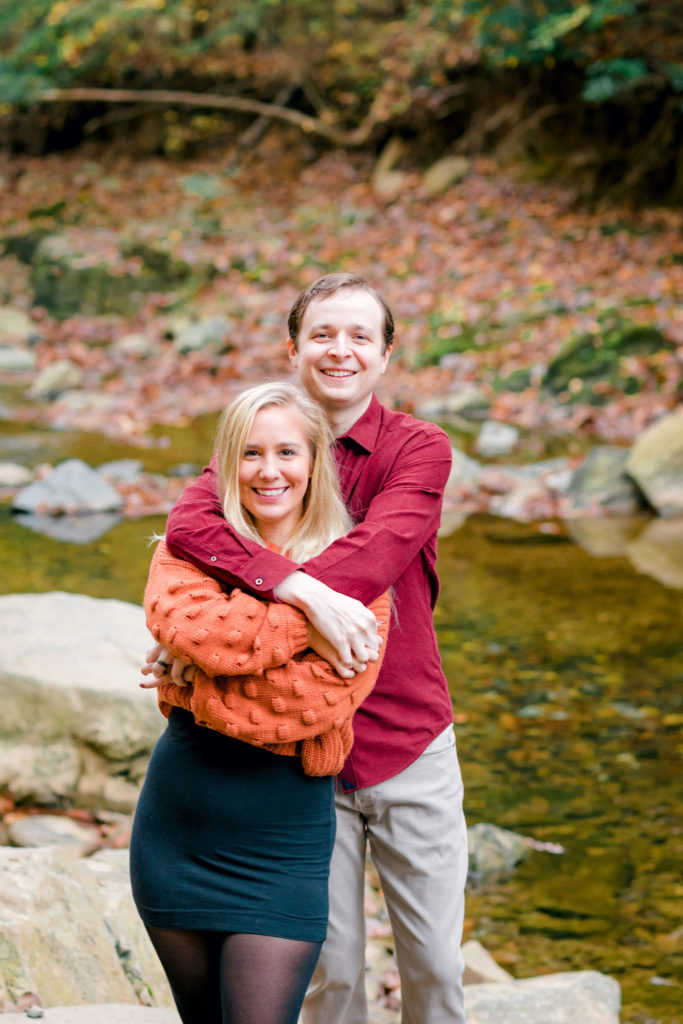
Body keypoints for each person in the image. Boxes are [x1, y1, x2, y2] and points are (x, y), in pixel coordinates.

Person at [155, 272, 469, 1024]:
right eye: (323, 334)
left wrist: (231, 624)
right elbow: (188, 529)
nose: (340, 350)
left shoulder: (416, 448)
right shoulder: (264, 443)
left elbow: (374, 557)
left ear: (385, 354)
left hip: (406, 737)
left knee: (434, 965)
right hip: (295, 751)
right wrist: (301, 596)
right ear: (293, 348)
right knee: (329, 976)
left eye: (360, 335)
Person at [130, 381, 390, 1024]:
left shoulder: (359, 572)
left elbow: (312, 707)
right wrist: (308, 611)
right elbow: (202, 635)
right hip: (177, 835)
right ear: (227, 464)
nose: (268, 471)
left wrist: (191, 678)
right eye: (250, 455)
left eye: (286, 453)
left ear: (314, 463)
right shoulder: (187, 550)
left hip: (283, 848)